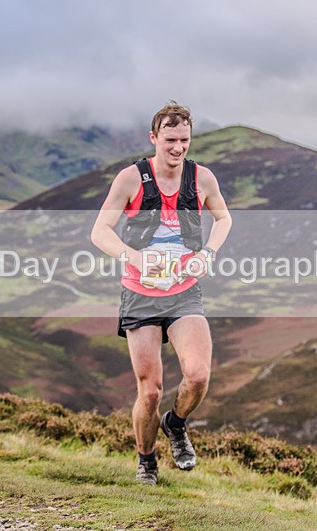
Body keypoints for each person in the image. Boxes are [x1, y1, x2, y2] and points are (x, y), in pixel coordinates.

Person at [91, 102, 232, 486]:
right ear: (153, 138)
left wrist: (207, 253)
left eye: (184, 140)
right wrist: (132, 257)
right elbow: (100, 231)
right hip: (140, 294)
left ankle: (177, 424)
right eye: (170, 140)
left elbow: (223, 218)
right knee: (149, 391)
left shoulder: (201, 179)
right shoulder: (130, 179)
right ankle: (146, 461)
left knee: (198, 375)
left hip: (185, 292)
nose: (178, 148)